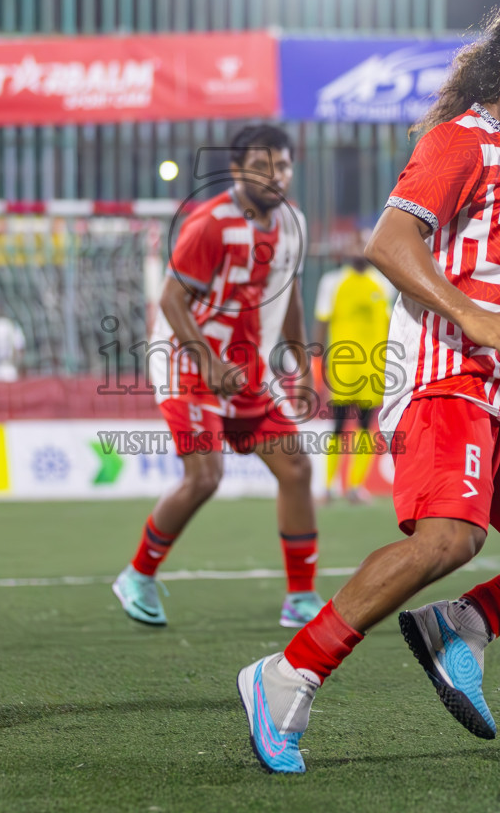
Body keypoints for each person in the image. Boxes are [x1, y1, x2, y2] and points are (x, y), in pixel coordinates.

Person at [235, 0, 500, 775]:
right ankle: (287, 675)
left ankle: (463, 625)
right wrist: (473, 316)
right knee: (449, 539)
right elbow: (390, 243)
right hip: (442, 381)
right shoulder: (458, 142)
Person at [113, 124, 321, 630]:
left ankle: (301, 598)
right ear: (236, 169)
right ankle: (137, 575)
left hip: (248, 369)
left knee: (296, 469)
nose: (274, 175)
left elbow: (287, 293)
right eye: (261, 165)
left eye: (283, 165)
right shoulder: (210, 223)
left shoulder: (293, 223)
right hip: (189, 363)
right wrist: (207, 362)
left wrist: (302, 362)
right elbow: (170, 300)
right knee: (205, 476)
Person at [312, 247, 394, 503]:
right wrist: (317, 365)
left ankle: (356, 487)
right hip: (343, 364)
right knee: (337, 423)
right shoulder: (332, 282)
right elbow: (321, 324)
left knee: (365, 424)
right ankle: (327, 487)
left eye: (363, 243)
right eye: (354, 243)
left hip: (373, 367)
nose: (358, 249)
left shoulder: (384, 284)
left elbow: (391, 325)